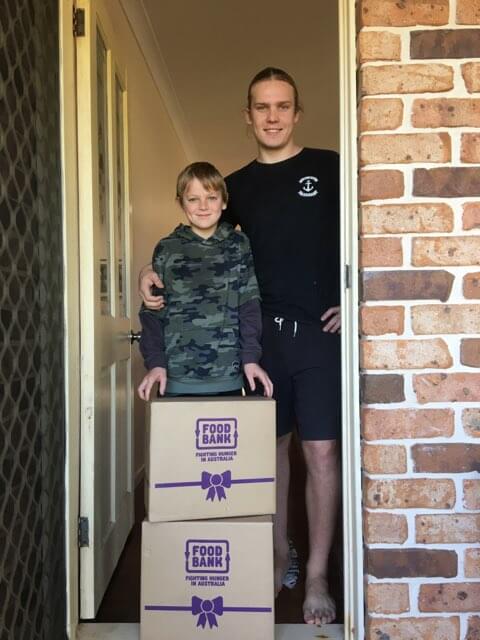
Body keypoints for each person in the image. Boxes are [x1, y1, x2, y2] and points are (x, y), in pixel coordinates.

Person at [139, 69, 340, 626]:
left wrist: (358, 296)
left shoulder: (331, 168)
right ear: (247, 115)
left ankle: (319, 574)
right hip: (255, 340)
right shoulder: (233, 187)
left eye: (282, 106)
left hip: (320, 336)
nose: (272, 116)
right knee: (267, 454)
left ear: (297, 113)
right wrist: (148, 274)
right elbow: (195, 251)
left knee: (320, 452)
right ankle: (279, 555)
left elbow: (369, 230)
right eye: (261, 107)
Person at [137, 161, 273, 401]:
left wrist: (251, 359)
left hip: (227, 376)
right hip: (176, 378)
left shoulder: (238, 245)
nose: (203, 206)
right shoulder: (168, 248)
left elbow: (249, 305)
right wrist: (155, 363)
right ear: (180, 202)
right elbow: (152, 312)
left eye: (211, 198)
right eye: (193, 199)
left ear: (224, 201)